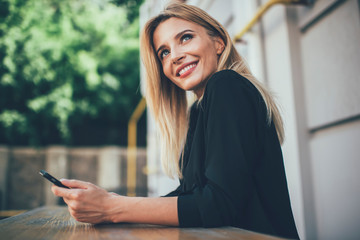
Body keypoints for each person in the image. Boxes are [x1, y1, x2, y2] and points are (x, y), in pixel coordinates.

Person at [52, 2, 299, 239]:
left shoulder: (226, 85)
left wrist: (113, 208)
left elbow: (220, 204)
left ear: (218, 43)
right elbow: (190, 195)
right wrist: (110, 204)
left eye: (185, 37)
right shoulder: (199, 111)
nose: (175, 56)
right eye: (164, 52)